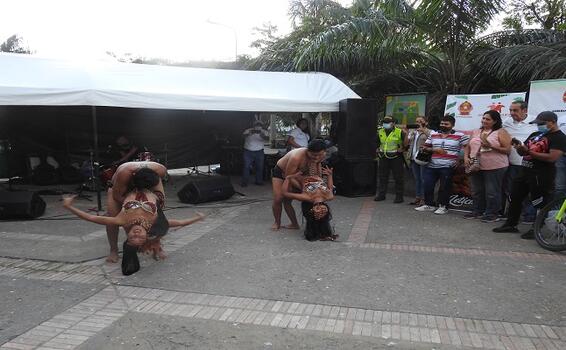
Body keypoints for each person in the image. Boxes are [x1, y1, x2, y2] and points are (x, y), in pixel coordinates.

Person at [63, 163, 206, 260]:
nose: (136, 235)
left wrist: (69, 207)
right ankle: (157, 246)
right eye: (140, 238)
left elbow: (91, 218)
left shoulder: (121, 220)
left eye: (132, 238)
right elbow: (177, 222)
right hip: (149, 188)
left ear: (127, 235)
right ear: (147, 234)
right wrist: (197, 218)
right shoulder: (154, 223)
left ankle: (113, 250)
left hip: (122, 189)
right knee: (161, 172)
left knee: (112, 213)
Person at [493, 111, 566, 239]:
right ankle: (511, 224)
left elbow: (552, 157)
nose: (539, 126)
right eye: (537, 124)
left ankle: (536, 228)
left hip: (542, 175)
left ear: (553, 122)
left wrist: (529, 152)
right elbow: (523, 153)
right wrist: (519, 147)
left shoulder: (560, 138)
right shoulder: (536, 135)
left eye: (542, 124)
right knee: (515, 197)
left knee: (539, 202)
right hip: (524, 171)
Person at [416, 114, 469, 215]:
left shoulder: (460, 135)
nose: (443, 125)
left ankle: (443, 206)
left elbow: (467, 147)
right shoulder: (433, 134)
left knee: (444, 187)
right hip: (431, 165)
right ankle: (429, 205)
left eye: (446, 124)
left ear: (452, 125)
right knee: (428, 185)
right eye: (442, 123)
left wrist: (461, 159)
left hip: (448, 166)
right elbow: (424, 147)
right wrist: (434, 149)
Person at [463, 110, 511, 222]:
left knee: (492, 191)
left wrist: (491, 146)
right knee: (476, 190)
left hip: (495, 166)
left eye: (488, 119)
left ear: (495, 121)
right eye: (483, 118)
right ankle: (477, 211)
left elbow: (508, 150)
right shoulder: (476, 131)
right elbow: (467, 146)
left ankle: (492, 213)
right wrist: (466, 158)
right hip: (475, 165)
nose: (484, 120)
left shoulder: (501, 131)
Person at [271, 139, 327, 230]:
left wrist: (320, 186)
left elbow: (317, 174)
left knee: (288, 201)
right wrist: (304, 188)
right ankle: (277, 222)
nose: (316, 158)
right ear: (308, 151)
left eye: (319, 155)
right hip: (282, 173)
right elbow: (288, 176)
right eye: (313, 155)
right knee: (278, 198)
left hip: (300, 174)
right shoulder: (296, 157)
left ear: (324, 152)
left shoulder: (321, 156)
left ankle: (294, 224)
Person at [502, 101, 537, 223]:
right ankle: (514, 216)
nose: (512, 113)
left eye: (515, 110)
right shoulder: (506, 122)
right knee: (512, 191)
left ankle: (530, 216)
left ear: (524, 110)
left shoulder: (535, 121)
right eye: (511, 110)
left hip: (529, 164)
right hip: (511, 163)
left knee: (530, 192)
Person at [282, 168, 338, 241]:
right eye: (324, 213)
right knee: (316, 158)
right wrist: (330, 175)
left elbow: (285, 193)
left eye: (318, 213)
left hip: (302, 174)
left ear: (311, 210)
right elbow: (330, 187)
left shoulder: (307, 197)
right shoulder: (329, 196)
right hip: (317, 173)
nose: (321, 210)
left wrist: (288, 178)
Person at [374, 116, 408, 203]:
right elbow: (377, 142)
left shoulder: (399, 132)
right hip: (383, 157)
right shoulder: (380, 131)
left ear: (393, 123)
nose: (385, 124)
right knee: (382, 177)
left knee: (398, 177)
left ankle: (399, 197)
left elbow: (406, 144)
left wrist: (403, 149)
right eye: (384, 122)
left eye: (388, 122)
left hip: (396, 157)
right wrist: (376, 149)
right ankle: (381, 195)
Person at [407, 116, 431, 205]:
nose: (418, 123)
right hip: (413, 158)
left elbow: (433, 138)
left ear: (426, 123)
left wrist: (423, 129)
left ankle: (424, 198)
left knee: (423, 179)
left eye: (420, 121)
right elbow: (407, 143)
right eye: (417, 121)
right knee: (417, 179)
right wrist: (407, 132)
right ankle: (417, 197)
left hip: (422, 158)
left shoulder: (429, 131)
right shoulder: (413, 131)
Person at [241, 120, 269, 187]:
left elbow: (267, 139)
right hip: (248, 151)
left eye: (259, 125)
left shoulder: (264, 132)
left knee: (260, 167)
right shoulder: (248, 130)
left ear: (261, 126)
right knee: (246, 167)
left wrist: (262, 136)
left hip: (259, 152)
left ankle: (258, 181)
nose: (258, 126)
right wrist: (250, 133)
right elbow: (242, 137)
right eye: (256, 125)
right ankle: (244, 182)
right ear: (254, 125)